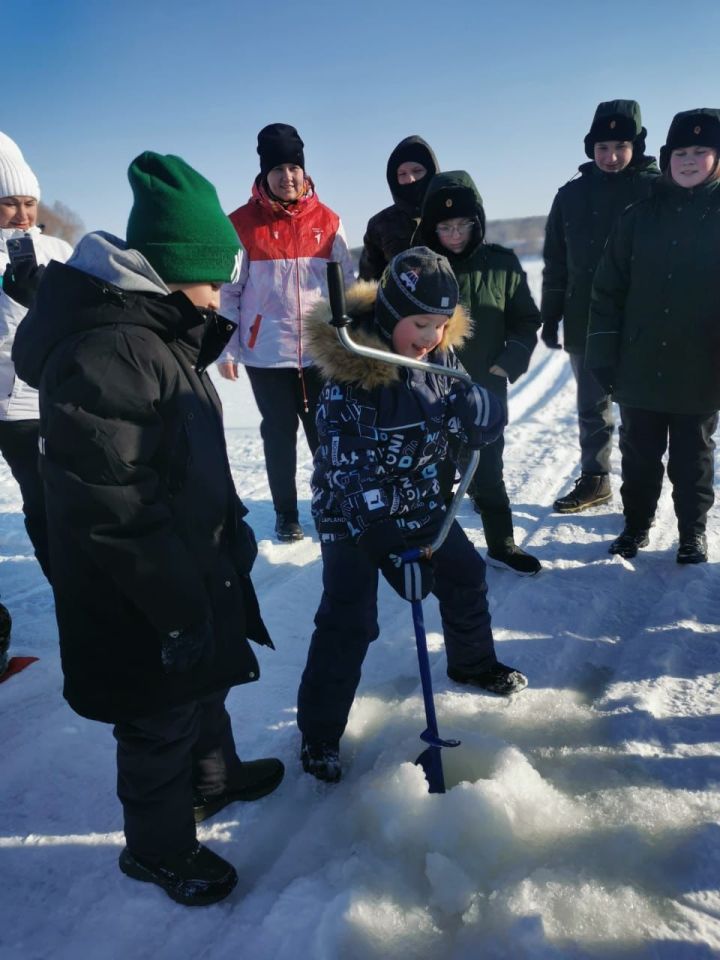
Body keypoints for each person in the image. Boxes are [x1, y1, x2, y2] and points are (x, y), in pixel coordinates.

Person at [13, 152, 284, 906]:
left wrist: (226, 532)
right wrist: (173, 603)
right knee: (156, 721)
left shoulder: (160, 331)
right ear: (169, 270)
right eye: (212, 278)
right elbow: (111, 501)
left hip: (184, 569)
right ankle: (157, 849)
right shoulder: (112, 349)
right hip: (136, 594)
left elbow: (179, 457)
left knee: (204, 689)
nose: (220, 294)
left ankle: (216, 778)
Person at [296, 247, 528, 783]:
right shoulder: (349, 377)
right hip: (355, 519)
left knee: (465, 576)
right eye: (420, 324)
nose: (431, 337)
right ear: (390, 315)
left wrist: (481, 416)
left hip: (422, 504)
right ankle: (319, 735)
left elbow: (467, 427)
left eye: (443, 325)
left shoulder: (439, 360)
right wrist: (381, 542)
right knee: (349, 619)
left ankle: (471, 663)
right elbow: (347, 471)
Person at [586, 108, 720, 564]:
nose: (689, 160)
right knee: (639, 456)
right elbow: (607, 289)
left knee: (693, 460)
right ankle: (636, 526)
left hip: (701, 367)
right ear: (665, 158)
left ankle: (692, 534)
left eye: (701, 151)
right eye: (681, 151)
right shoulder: (637, 217)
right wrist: (603, 352)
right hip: (640, 363)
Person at [218, 123, 355, 543]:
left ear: (303, 169)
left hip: (319, 352)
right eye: (277, 168)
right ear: (264, 173)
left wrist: (349, 343)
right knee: (278, 435)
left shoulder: (329, 221)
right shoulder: (240, 224)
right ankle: (286, 514)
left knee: (324, 433)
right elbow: (229, 292)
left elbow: (346, 287)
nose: (287, 176)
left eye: (293, 166)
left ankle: (330, 503)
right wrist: (228, 349)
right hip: (266, 355)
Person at [413, 171, 542, 575]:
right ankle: (429, 545)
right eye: (445, 227)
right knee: (433, 474)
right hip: (429, 393)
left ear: (477, 222)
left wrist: (510, 360)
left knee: (488, 471)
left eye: (462, 225)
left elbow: (526, 320)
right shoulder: (415, 269)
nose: (454, 235)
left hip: (484, 390)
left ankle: (502, 545)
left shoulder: (502, 264)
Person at [542, 100, 660, 513]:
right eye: (602, 147)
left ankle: (641, 488)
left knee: (638, 408)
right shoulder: (570, 196)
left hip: (641, 320)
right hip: (584, 318)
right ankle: (596, 479)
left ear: (637, 146)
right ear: (590, 147)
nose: (610, 157)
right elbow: (556, 262)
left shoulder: (656, 189)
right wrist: (550, 314)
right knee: (592, 407)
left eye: (621, 146)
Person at [0, 131, 73, 580]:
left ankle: (67, 580)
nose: (23, 214)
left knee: (49, 496)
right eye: (10, 203)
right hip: (4, 398)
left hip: (40, 397)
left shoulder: (59, 251)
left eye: (29, 202)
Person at [358, 135, 439, 281]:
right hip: (398, 303)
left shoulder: (451, 213)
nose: (410, 179)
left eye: (417, 171)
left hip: (451, 302)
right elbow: (367, 282)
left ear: (431, 172)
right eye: (402, 174)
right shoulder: (380, 224)